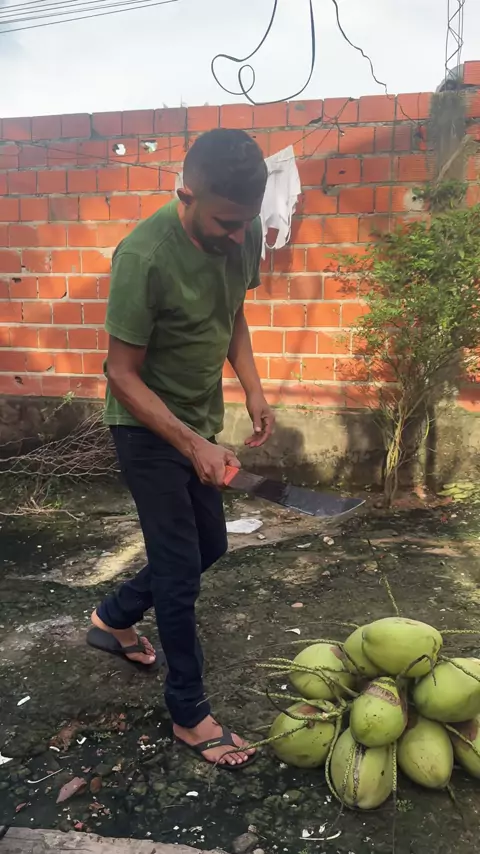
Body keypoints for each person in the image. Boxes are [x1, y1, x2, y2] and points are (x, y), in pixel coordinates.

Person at [87, 128, 274, 769]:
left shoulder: (241, 228)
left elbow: (233, 312)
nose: (236, 238)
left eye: (244, 224)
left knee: (210, 545)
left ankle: (113, 617)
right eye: (225, 223)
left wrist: (254, 389)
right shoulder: (144, 256)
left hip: (198, 423)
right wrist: (191, 443)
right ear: (185, 194)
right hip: (145, 427)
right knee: (177, 569)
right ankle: (189, 713)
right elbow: (121, 374)